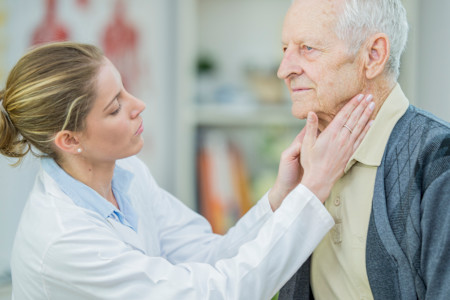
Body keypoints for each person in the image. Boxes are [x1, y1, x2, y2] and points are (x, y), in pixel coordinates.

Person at [0, 42, 374, 299]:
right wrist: (316, 187)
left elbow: (210, 257)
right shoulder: (63, 240)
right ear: (68, 140)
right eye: (114, 108)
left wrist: (282, 196)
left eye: (125, 90)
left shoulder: (126, 174)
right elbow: (215, 293)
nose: (138, 105)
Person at [276, 0, 450, 299]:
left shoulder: (437, 158)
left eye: (308, 48)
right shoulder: (303, 161)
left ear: (373, 56)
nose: (284, 70)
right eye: (285, 49)